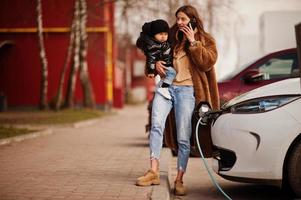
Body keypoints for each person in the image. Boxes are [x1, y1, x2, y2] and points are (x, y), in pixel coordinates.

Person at [136, 5, 220, 196]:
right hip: (166, 88)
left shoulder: (206, 40)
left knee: (183, 137)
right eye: (178, 19)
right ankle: (153, 171)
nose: (179, 22)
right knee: (156, 125)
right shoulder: (172, 36)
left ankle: (180, 179)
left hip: (187, 91)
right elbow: (153, 50)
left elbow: (207, 63)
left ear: (193, 20)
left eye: (183, 19)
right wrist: (154, 63)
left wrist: (193, 42)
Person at [136, 19, 176, 99]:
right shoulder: (153, 46)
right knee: (172, 73)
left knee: (171, 74)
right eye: (160, 34)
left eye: (165, 34)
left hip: (167, 64)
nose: (163, 36)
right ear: (154, 35)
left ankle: (164, 87)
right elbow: (151, 58)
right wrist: (151, 70)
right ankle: (164, 88)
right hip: (165, 66)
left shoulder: (163, 44)